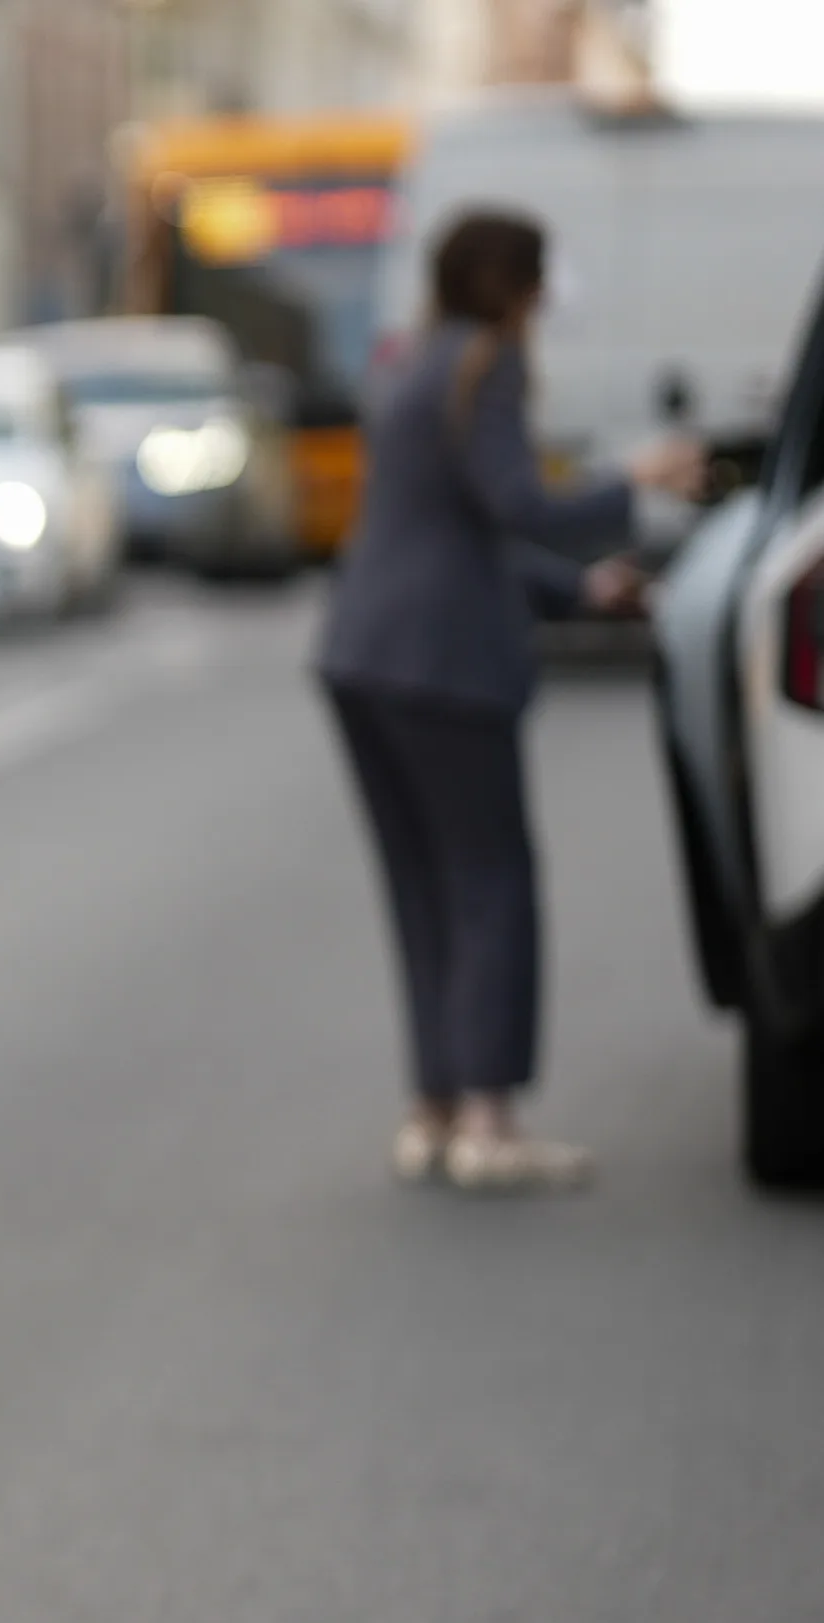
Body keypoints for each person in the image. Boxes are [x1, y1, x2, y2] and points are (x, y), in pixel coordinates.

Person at [318, 207, 705, 1192]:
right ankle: (489, 1122)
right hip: (442, 662)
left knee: (422, 884)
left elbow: (450, 530)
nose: (548, 295)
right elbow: (518, 504)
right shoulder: (486, 363)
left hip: (363, 650)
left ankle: (433, 1110)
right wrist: (640, 476)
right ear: (511, 284)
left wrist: (577, 588)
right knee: (491, 880)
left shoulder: (413, 359)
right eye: (541, 274)